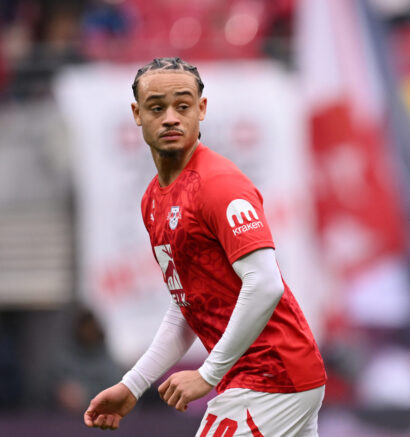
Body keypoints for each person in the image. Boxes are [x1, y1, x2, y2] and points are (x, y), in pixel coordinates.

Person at [83, 57, 327, 436]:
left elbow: (265, 284)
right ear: (137, 114)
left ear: (202, 109)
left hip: (270, 375)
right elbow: (186, 306)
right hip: (272, 377)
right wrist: (132, 385)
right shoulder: (153, 200)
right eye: (156, 107)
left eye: (182, 106)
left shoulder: (219, 185)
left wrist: (207, 373)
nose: (170, 118)